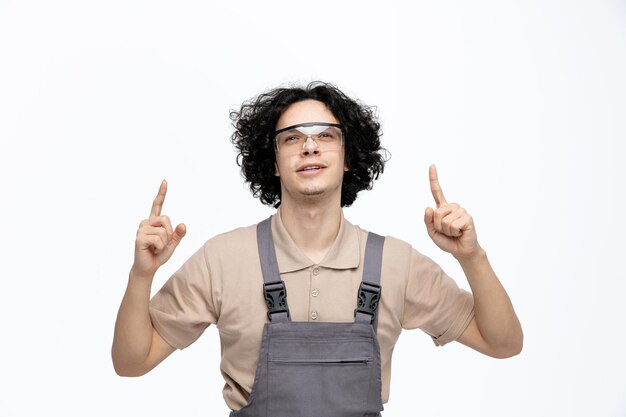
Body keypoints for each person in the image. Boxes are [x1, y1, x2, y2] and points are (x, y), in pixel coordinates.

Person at [111, 81, 523, 416]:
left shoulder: (396, 264)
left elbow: (502, 343)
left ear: (348, 156)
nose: (309, 147)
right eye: (292, 138)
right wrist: (141, 274)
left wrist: (472, 256)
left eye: (325, 135)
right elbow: (131, 362)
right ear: (272, 162)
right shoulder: (223, 259)